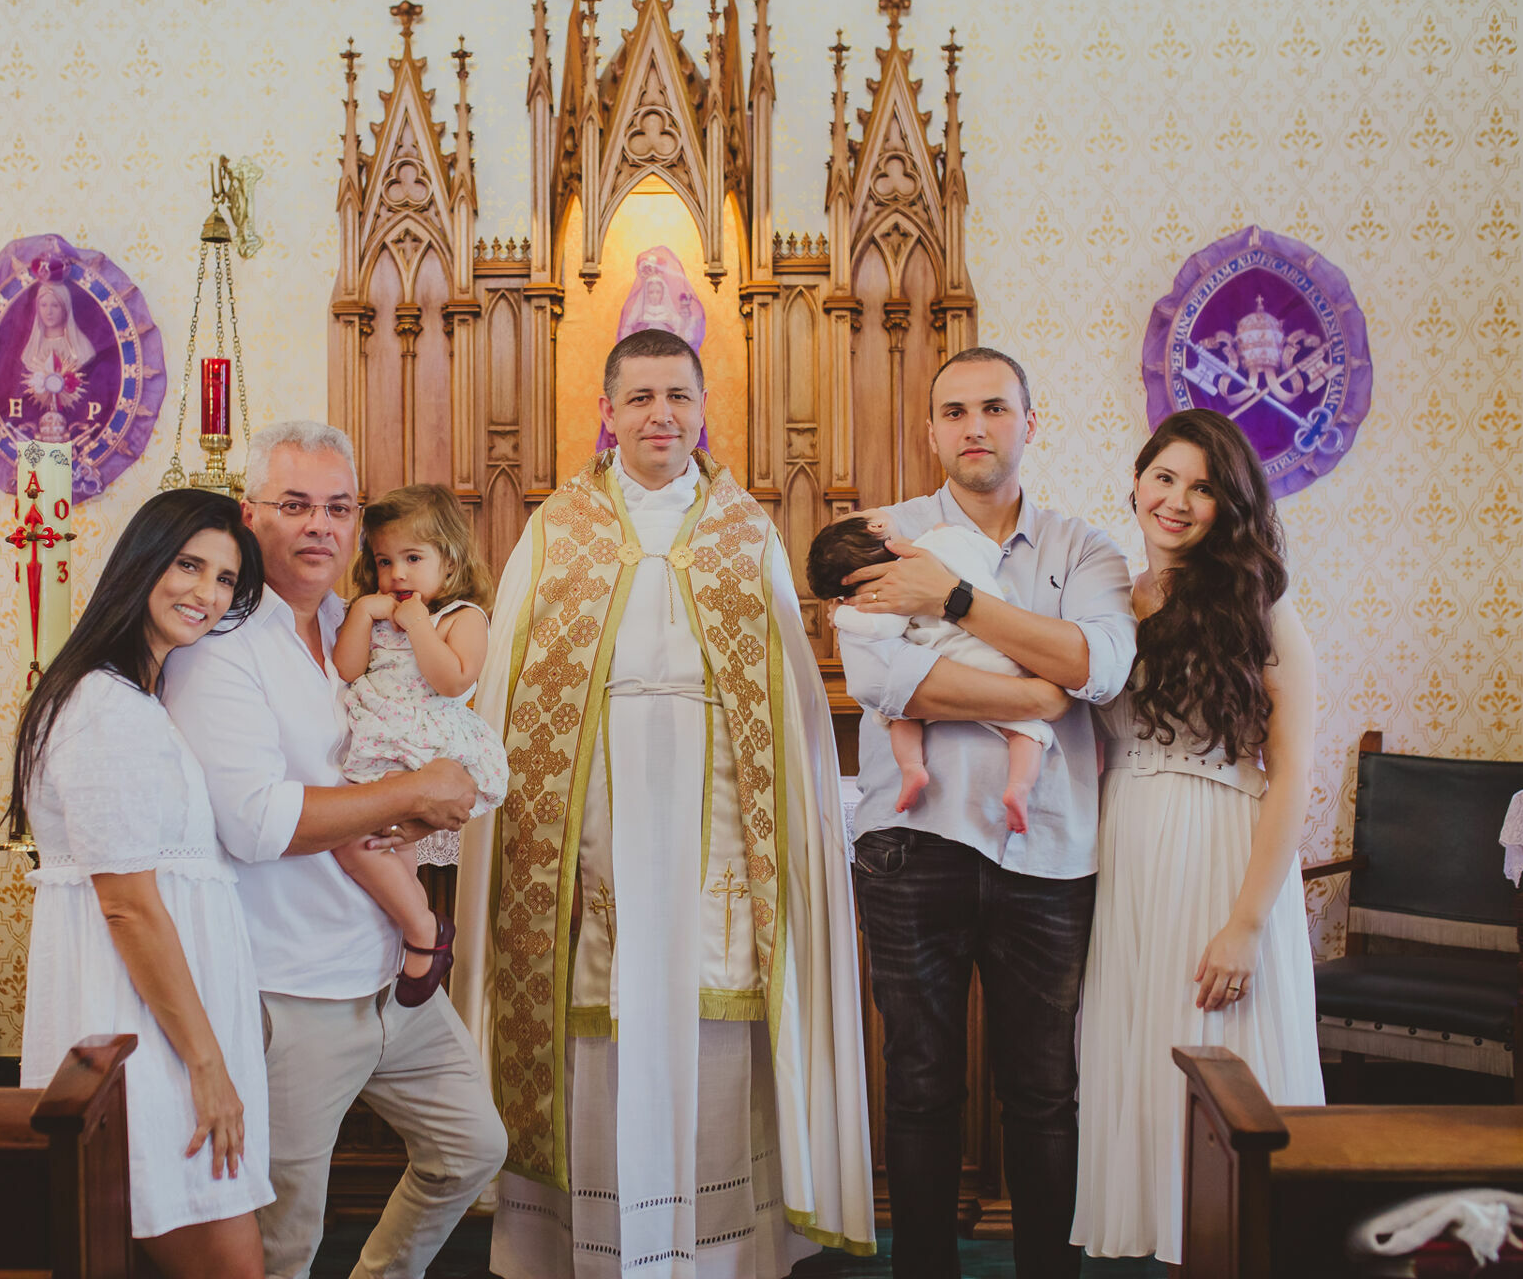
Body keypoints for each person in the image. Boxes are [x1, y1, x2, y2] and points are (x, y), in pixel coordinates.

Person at [455, 327, 876, 1279]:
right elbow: (510, 692)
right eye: (640, 397)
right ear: (606, 414)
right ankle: (590, 1247)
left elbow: (793, 707)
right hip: (589, 819)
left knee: (709, 1005)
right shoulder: (557, 527)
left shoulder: (744, 530)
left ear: (701, 409)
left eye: (678, 396)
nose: (661, 415)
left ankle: (716, 1254)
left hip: (718, 820)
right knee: (595, 1006)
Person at [161, 421, 508, 1279]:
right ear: (251, 515)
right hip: (295, 988)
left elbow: (388, 761)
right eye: (295, 505)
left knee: (471, 1149)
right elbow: (253, 820)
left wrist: (417, 814)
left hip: (393, 974)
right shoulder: (223, 649)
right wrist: (415, 792)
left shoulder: (364, 639)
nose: (320, 525)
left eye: (339, 508)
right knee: (285, 1242)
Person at [837, 347, 1137, 1279]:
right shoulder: (883, 536)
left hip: (1045, 851)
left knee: (1044, 1092)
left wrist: (954, 601)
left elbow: (1101, 666)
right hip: (909, 844)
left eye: (995, 409)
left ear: (1029, 424)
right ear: (931, 431)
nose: (975, 427)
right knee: (921, 1087)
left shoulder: (1083, 547)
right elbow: (880, 675)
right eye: (956, 411)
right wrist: (1035, 695)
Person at [1071, 409, 1324, 1265]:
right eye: (1165, 477)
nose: (1177, 501)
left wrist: (1247, 923)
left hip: (1222, 850)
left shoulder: (1260, 601)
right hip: (1129, 846)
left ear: (1230, 506)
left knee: (1221, 1061)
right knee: (1142, 1060)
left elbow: (1292, 770)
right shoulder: (1106, 594)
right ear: (1136, 482)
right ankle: (1159, 1240)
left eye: (1204, 487)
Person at [13, 487, 271, 1278]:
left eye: (225, 579)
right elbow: (126, 907)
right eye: (189, 564)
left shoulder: (137, 700)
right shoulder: (103, 708)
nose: (207, 593)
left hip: (165, 1030)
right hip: (142, 1042)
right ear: (141, 562)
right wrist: (207, 1064)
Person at [332, 483, 508, 1007]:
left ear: (449, 561)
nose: (398, 575)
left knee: (364, 842)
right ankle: (412, 938)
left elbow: (452, 680)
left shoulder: (461, 617)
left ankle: (423, 932)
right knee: (389, 852)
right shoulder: (377, 614)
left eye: (413, 558)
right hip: (380, 743)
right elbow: (345, 669)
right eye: (385, 561)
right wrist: (364, 615)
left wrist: (417, 627)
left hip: (428, 746)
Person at [807, 514, 1055, 831]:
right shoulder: (940, 543)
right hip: (995, 657)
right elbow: (989, 552)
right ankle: (1019, 788)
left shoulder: (887, 589)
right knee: (1027, 731)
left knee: (899, 715)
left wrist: (841, 614)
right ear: (877, 526)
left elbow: (880, 628)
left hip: (942, 667)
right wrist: (950, 533)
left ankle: (912, 768)